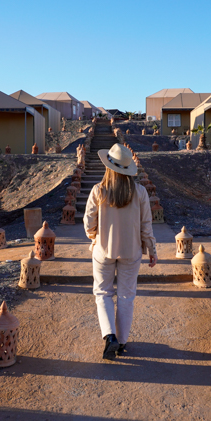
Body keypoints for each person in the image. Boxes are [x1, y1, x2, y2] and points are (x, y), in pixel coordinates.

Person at [84, 143, 157, 360]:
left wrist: (95, 236)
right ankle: (122, 341)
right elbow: (146, 224)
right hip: (131, 251)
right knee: (126, 296)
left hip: (103, 250)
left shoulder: (99, 190)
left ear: (108, 166)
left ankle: (110, 337)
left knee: (103, 293)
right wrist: (151, 248)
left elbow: (88, 222)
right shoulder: (140, 192)